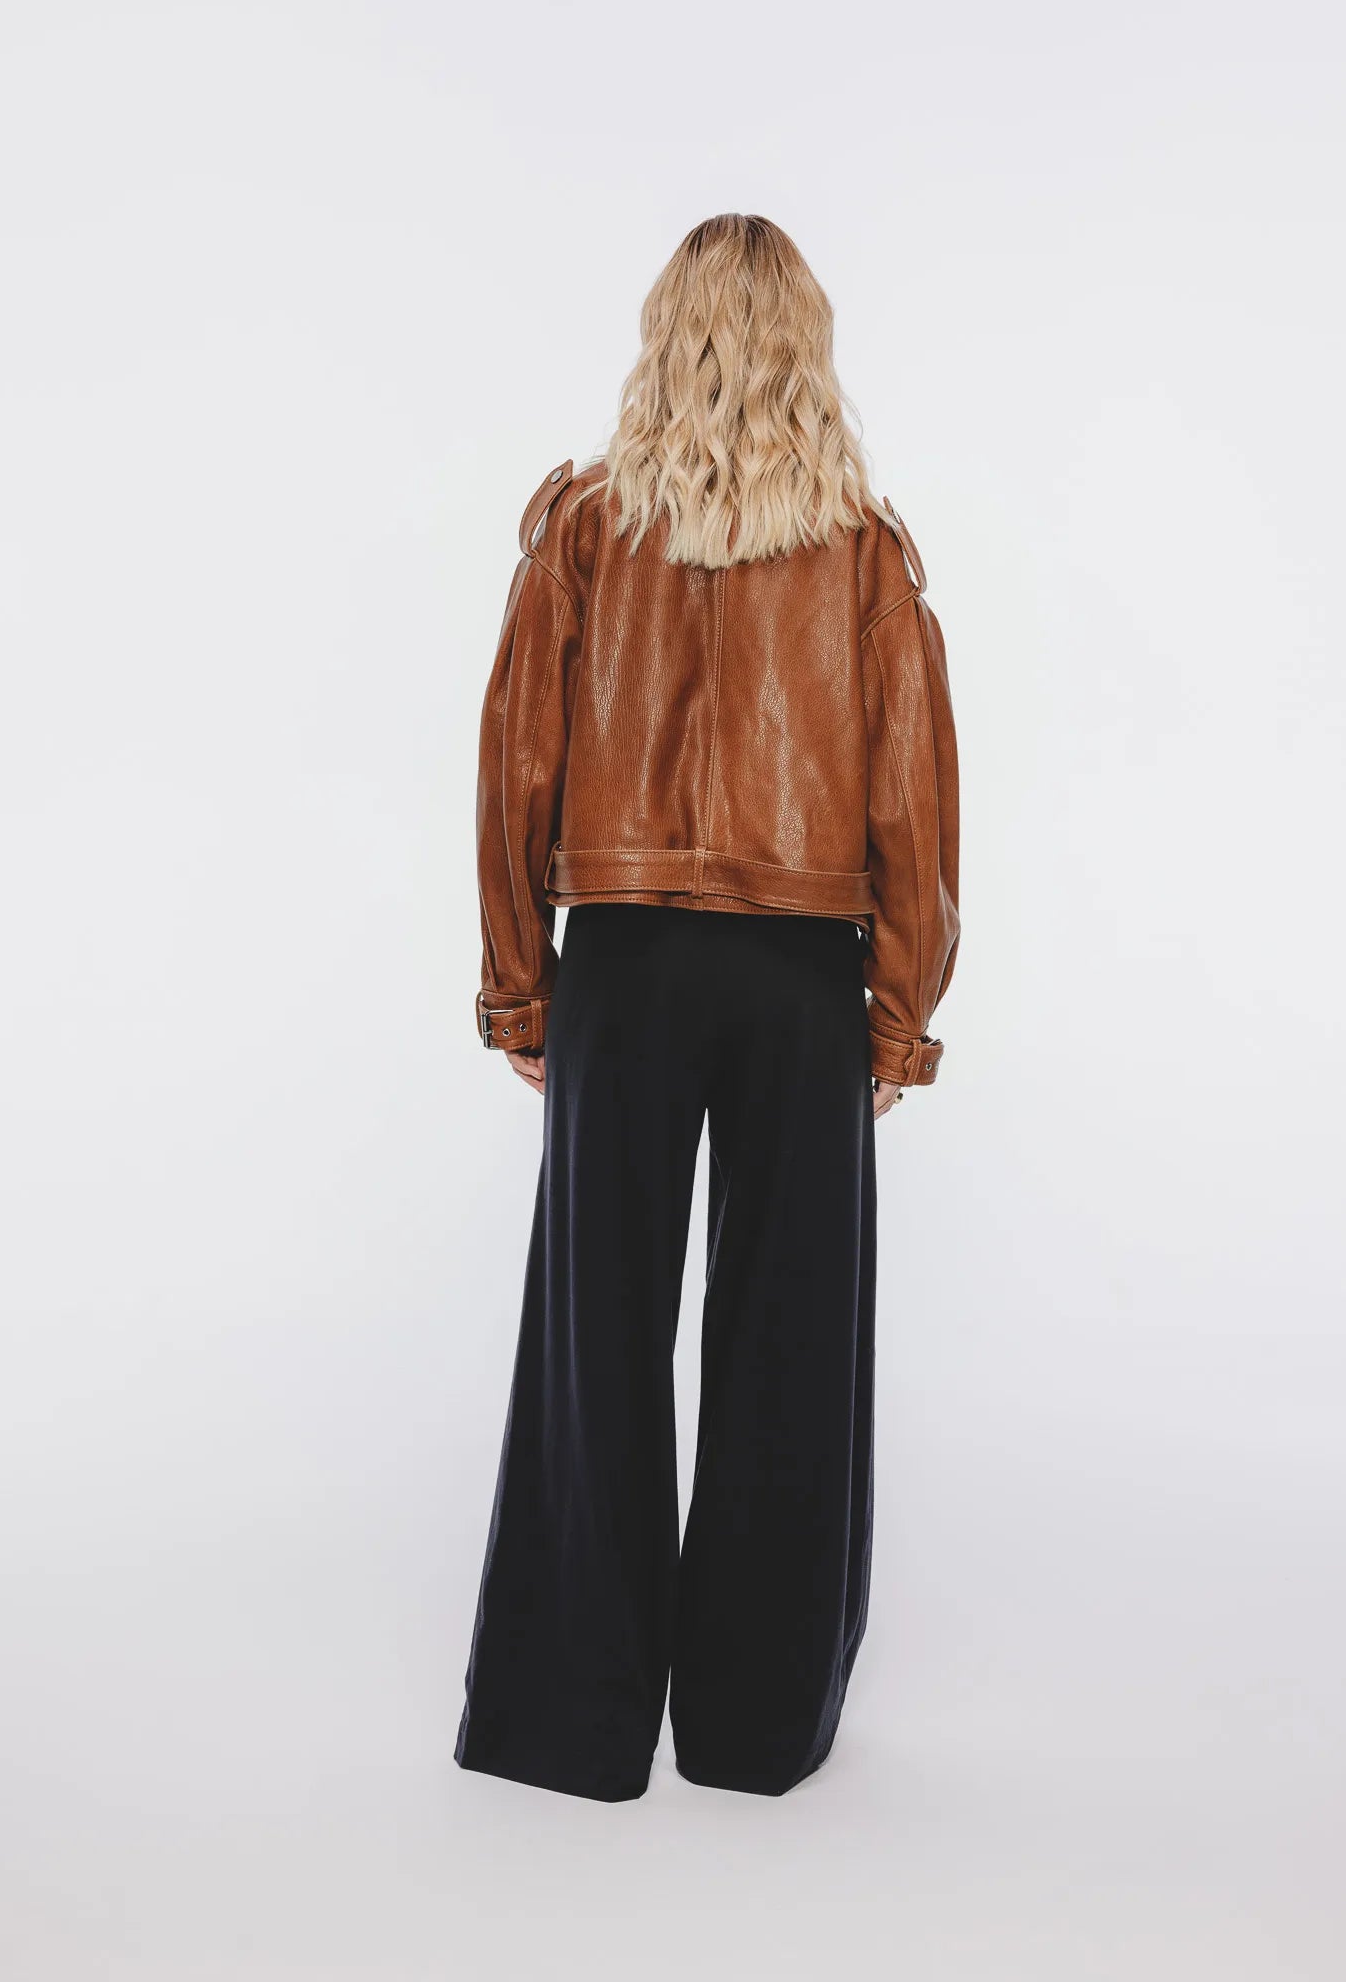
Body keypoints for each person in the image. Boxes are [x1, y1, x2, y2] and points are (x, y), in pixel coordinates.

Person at [454, 213, 960, 1801]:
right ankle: (754, 1727)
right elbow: (915, 807)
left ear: (660, 334)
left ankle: (570, 1719)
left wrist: (523, 993)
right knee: (790, 1334)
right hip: (801, 972)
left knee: (593, 1332)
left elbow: (513, 770)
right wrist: (897, 1015)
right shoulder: (863, 551)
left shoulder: (585, 528)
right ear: (807, 346)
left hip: (621, 959)